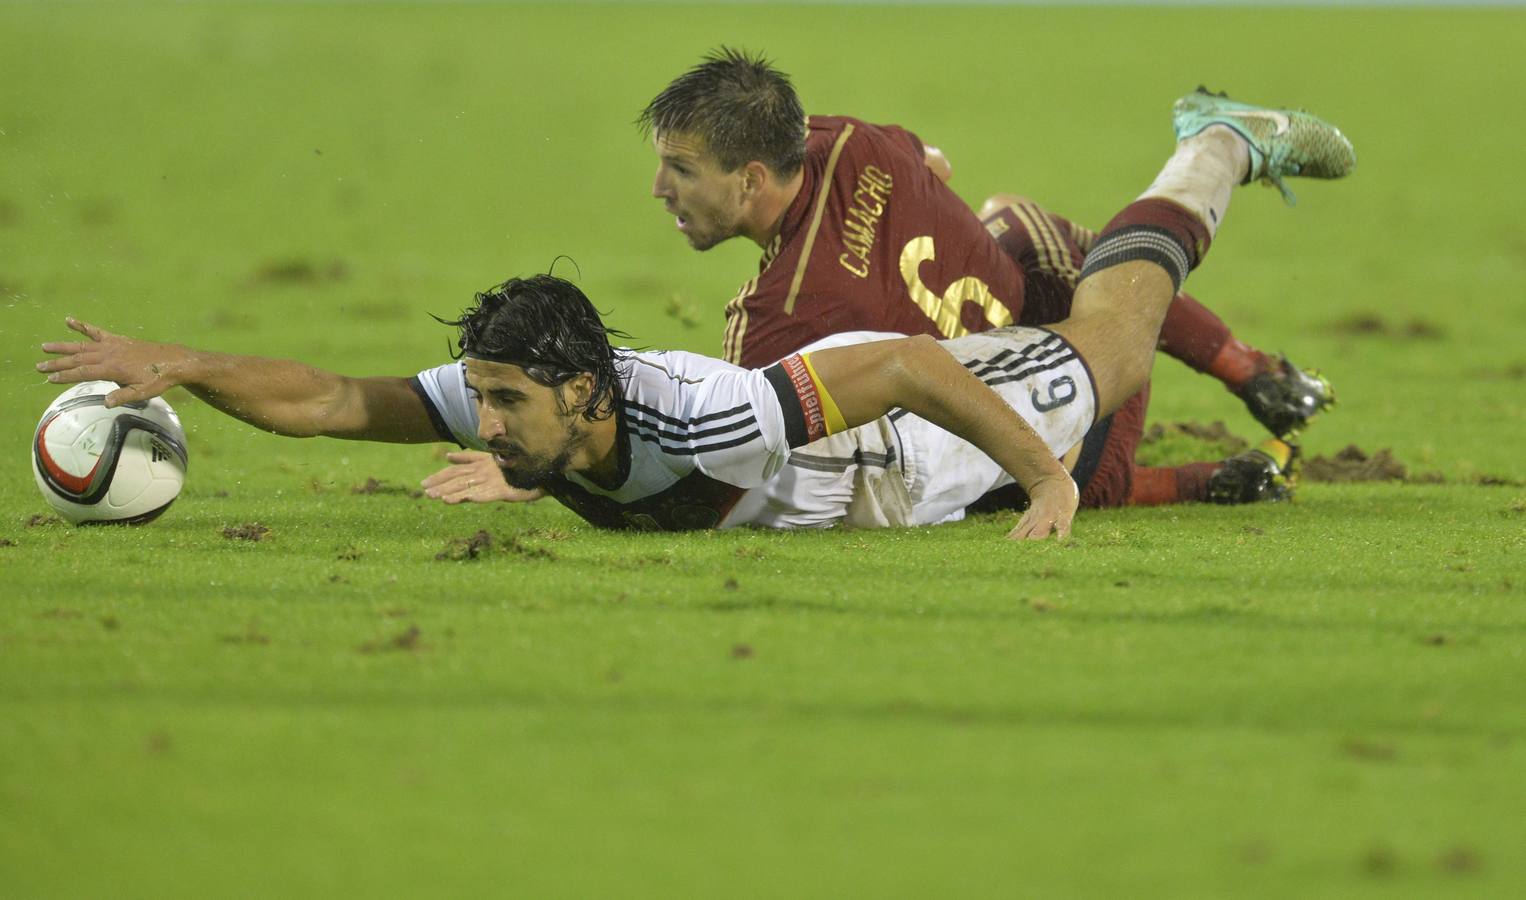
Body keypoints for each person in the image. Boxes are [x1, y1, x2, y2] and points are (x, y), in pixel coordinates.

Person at [37, 98, 1353, 539]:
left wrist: (1039, 476)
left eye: (504, 407)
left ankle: (1214, 151)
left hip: (919, 438)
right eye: (481, 398)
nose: (483, 425)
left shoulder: (703, 408)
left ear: (591, 397)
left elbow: (900, 365)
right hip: (856, 472)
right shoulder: (528, 394)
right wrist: (186, 364)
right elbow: (329, 401)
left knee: (1114, 343)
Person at [424, 53, 1343, 511]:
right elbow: (923, 157)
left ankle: (1194, 475)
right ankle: (1250, 373)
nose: (659, 189)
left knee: (985, 469)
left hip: (1063, 415)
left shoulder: (780, 322)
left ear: (750, 179)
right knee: (1022, 226)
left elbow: (727, 452)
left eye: (681, 168)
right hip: (1047, 310)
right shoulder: (840, 140)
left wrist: (544, 472)